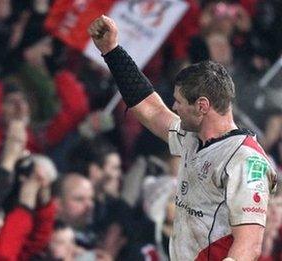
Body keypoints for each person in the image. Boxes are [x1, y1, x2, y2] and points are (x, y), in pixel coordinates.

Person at [88, 15, 278, 260]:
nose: (174, 108)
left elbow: (248, 246)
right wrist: (112, 51)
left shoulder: (246, 161)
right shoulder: (192, 137)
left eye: (178, 102)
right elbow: (152, 110)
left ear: (202, 106)